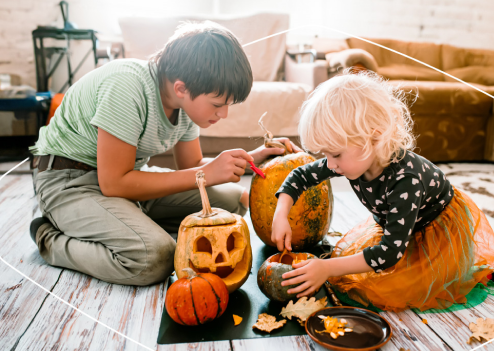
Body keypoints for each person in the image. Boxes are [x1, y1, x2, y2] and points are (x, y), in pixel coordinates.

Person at [29, 21, 298, 286]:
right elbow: (113, 184)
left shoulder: (184, 102)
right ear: (181, 87)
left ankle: (129, 222)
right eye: (217, 104)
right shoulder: (127, 86)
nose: (224, 114)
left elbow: (192, 165)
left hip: (125, 181)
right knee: (155, 258)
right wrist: (206, 172)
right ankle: (50, 238)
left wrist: (253, 159)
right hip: (70, 181)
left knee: (231, 204)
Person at [271, 70, 494, 312]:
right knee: (359, 274)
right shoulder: (350, 160)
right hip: (400, 229)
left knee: (390, 288)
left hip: (435, 231)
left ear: (374, 137)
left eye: (335, 154)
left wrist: (328, 267)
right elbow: (300, 175)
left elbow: (390, 252)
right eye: (326, 155)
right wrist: (281, 212)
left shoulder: (406, 181)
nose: (329, 164)